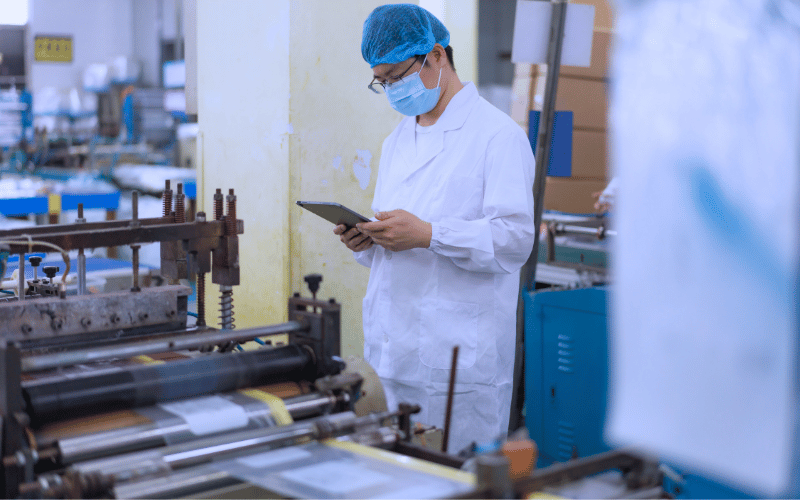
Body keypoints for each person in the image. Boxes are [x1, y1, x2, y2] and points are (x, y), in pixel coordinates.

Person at [334, 3, 536, 453]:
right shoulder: (397, 141)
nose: (392, 90)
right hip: (392, 350)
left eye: (398, 76)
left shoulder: (497, 136)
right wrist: (365, 241)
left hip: (459, 364)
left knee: (456, 477)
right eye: (382, 82)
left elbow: (514, 240)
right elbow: (394, 236)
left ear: (438, 56)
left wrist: (429, 234)